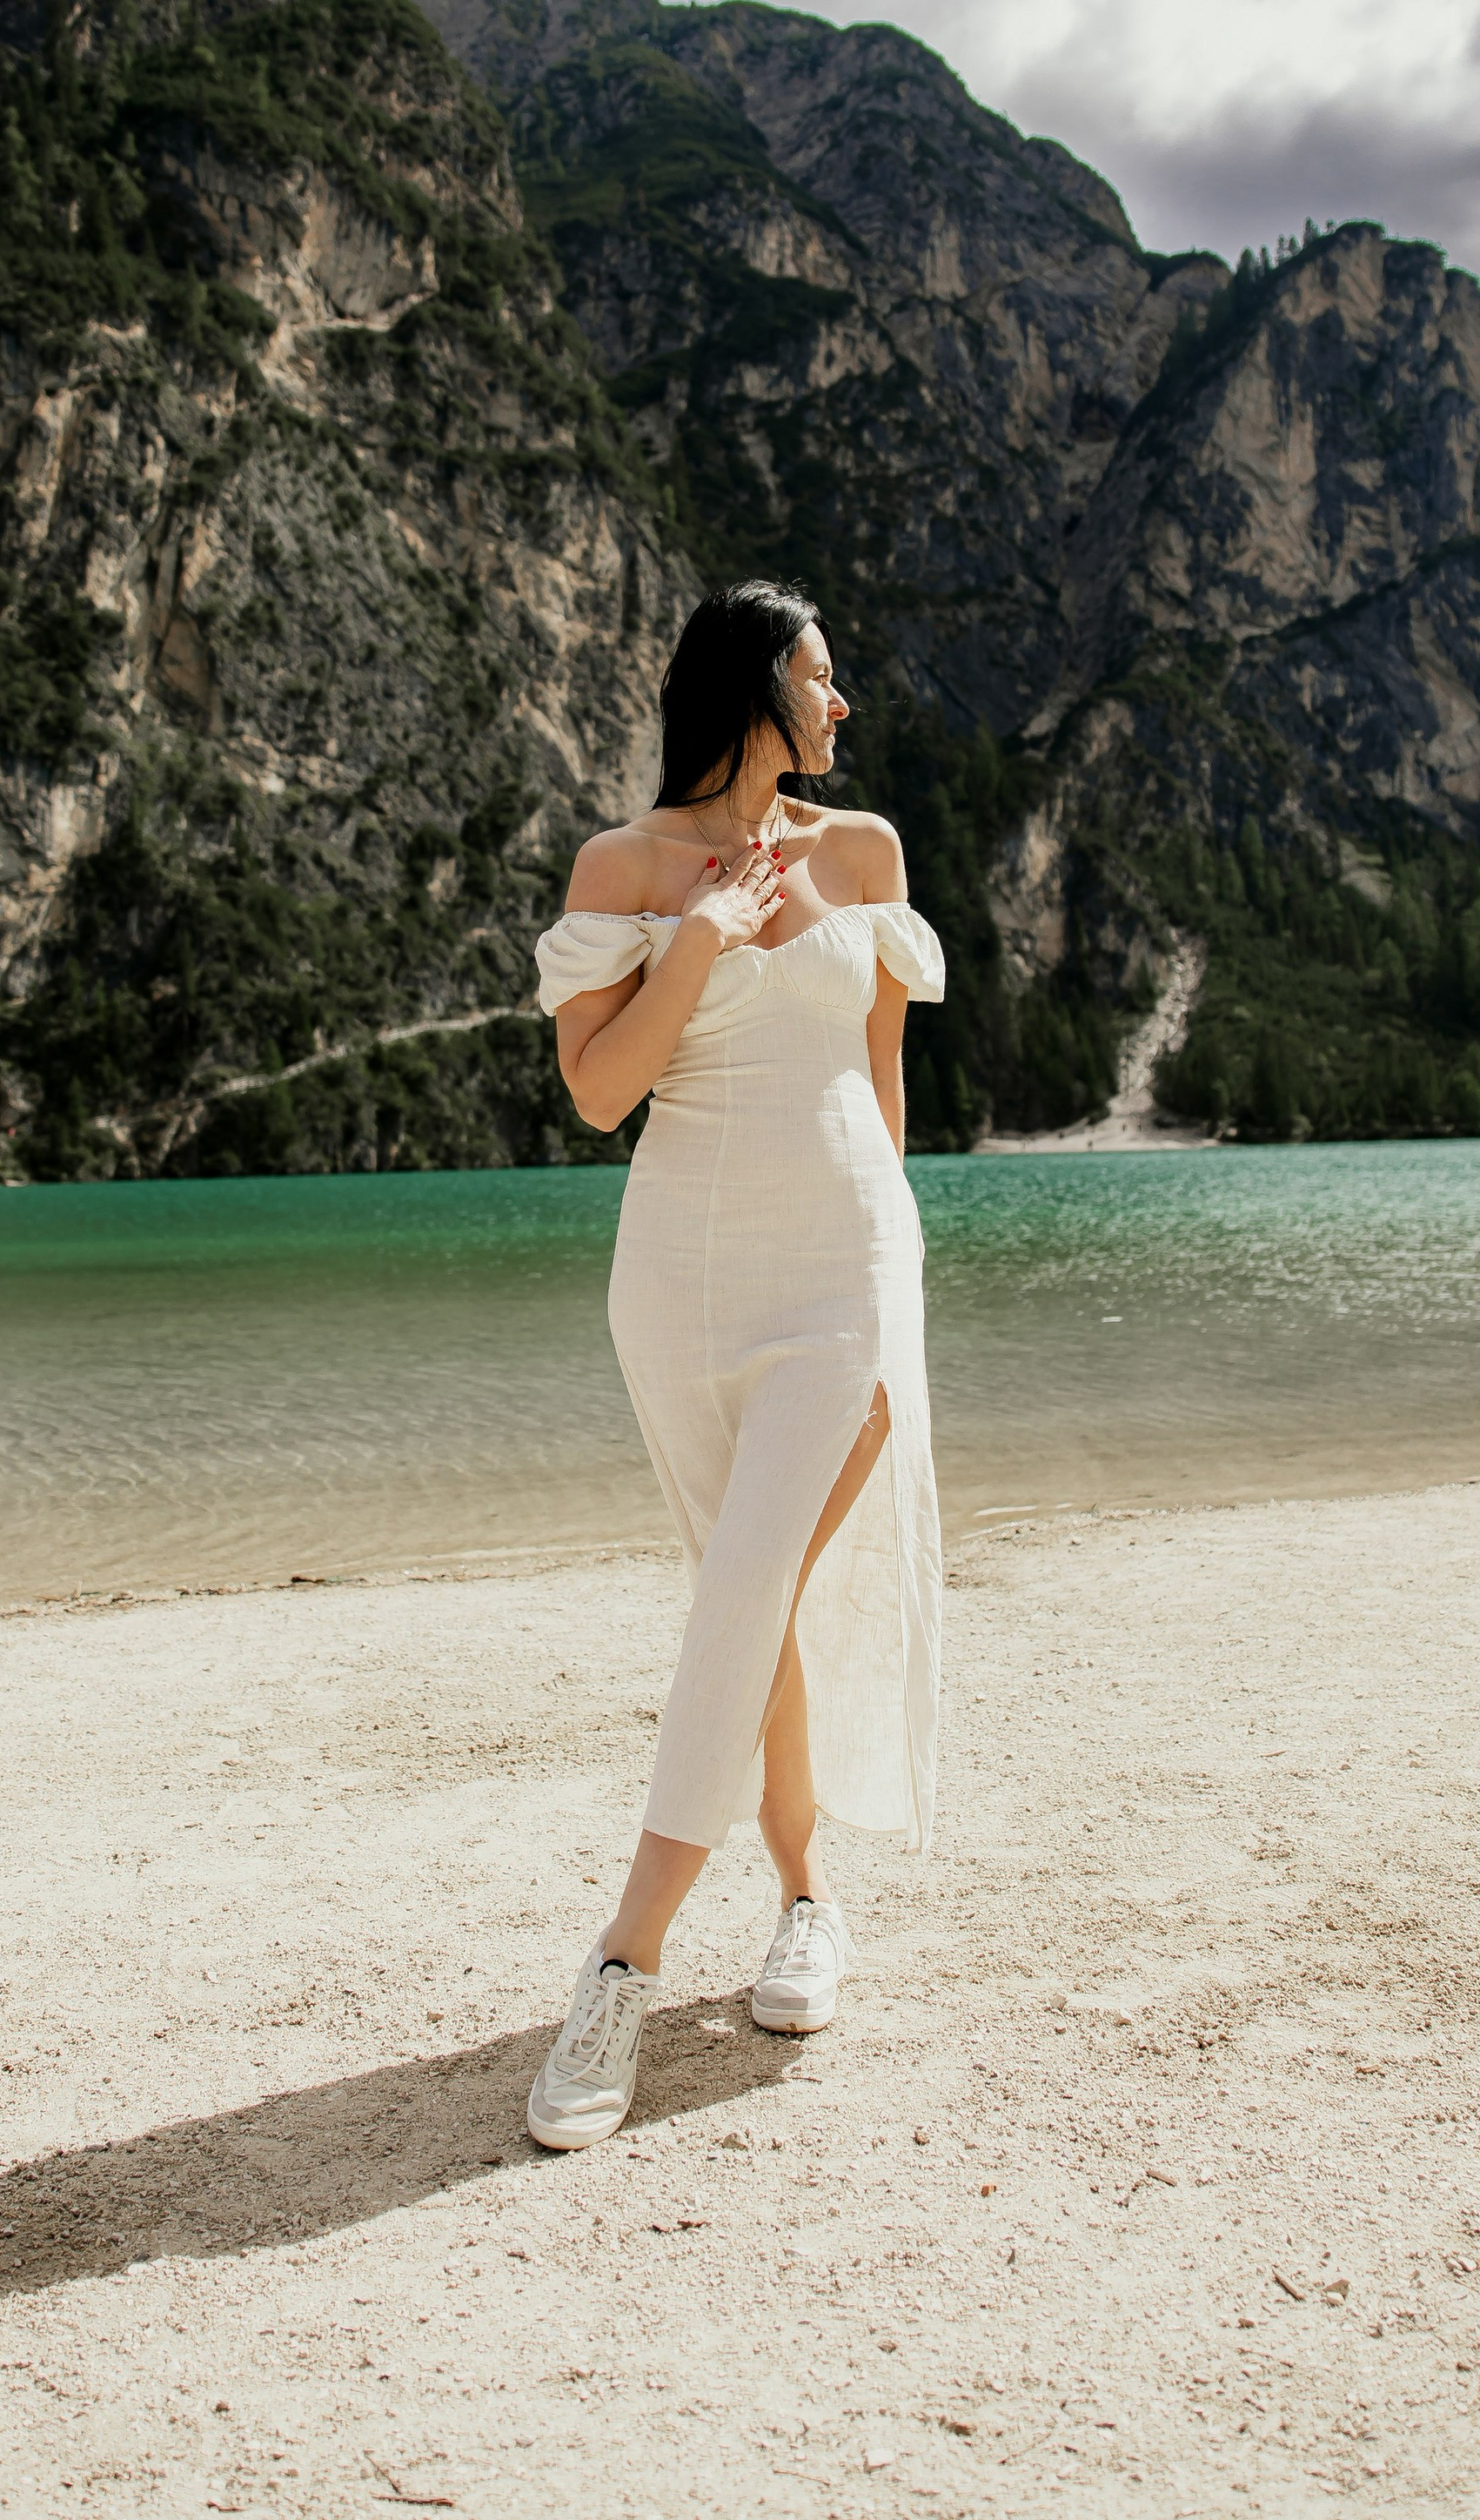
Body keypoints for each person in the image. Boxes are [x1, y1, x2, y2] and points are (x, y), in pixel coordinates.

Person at [525, 580, 946, 2150]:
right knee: (746, 1600)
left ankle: (623, 1963)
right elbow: (600, 1095)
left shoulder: (868, 855)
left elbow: (884, 1079)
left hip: (842, 1263)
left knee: (747, 1582)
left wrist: (902, 1298)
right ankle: (809, 1901)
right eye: (822, 679)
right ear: (751, 692)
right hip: (678, 1288)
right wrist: (700, 935)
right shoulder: (622, 872)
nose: (843, 708)